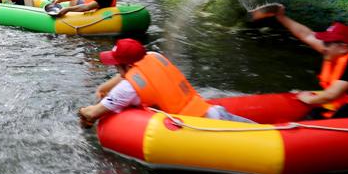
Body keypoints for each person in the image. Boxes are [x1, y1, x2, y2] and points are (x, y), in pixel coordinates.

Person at [249, 3, 348, 118]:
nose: (324, 46)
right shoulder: (338, 51)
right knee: (316, 113)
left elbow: (331, 96)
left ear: (342, 46)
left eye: (328, 43)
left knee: (335, 111)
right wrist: (282, 17)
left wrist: (305, 98)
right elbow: (307, 35)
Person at [78, 39, 252, 127]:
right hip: (216, 114)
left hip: (204, 132)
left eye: (116, 63)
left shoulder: (127, 88)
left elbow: (92, 114)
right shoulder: (153, 56)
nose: (114, 66)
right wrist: (105, 88)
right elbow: (134, 74)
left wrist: (82, 112)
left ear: (127, 65)